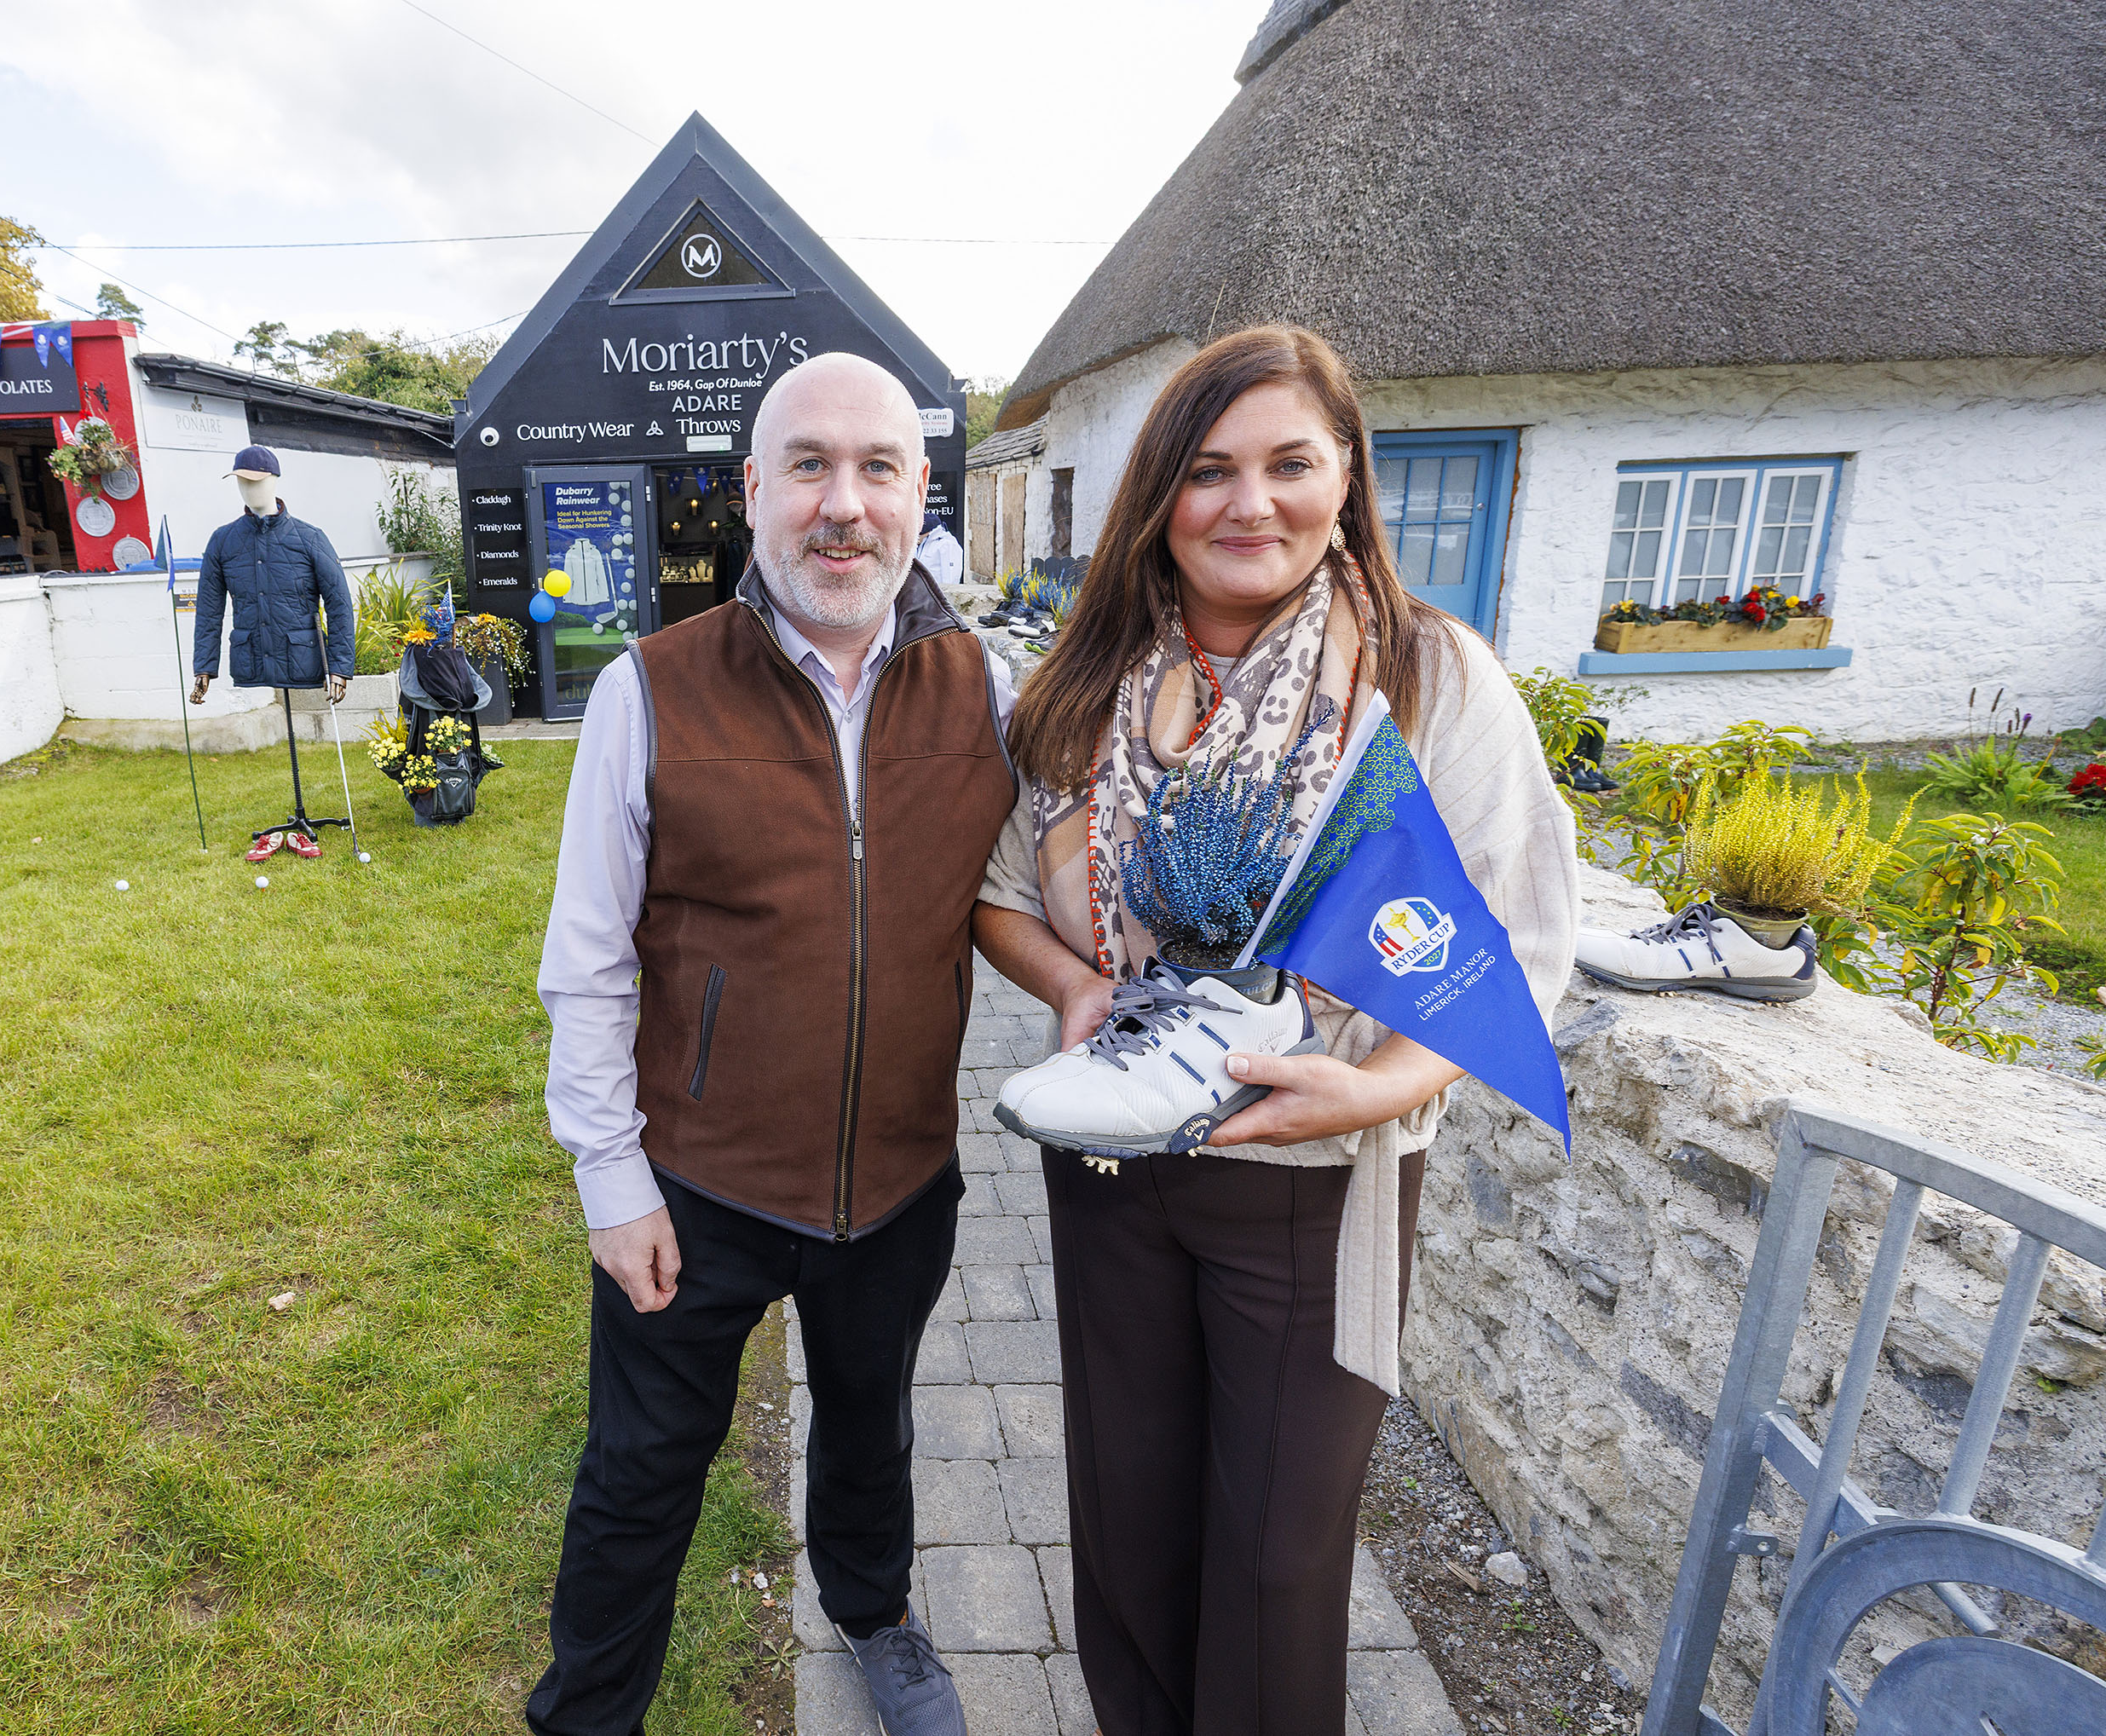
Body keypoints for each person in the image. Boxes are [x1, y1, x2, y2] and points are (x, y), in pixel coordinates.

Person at [972, 324, 1578, 1733]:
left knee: (1276, 1558)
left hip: (1314, 1184)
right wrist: (1074, 990)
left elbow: (1516, 941)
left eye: (1290, 464)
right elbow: (1000, 897)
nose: (1251, 503)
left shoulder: (1428, 682)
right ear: (1160, 497)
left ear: (1346, 475)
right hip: (1115, 1163)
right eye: (1208, 471)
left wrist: (1373, 1094)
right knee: (1129, 1523)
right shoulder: (1090, 684)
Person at [528, 353, 1018, 1736]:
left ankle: (873, 1613)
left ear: (921, 496)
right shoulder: (651, 688)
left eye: (877, 468)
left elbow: (1055, 879)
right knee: (640, 1472)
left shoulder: (986, 687)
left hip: (900, 1181)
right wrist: (610, 1177)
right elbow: (587, 959)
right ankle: (588, 1713)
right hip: (697, 1187)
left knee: (872, 1431)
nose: (842, 504)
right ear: (753, 491)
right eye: (809, 465)